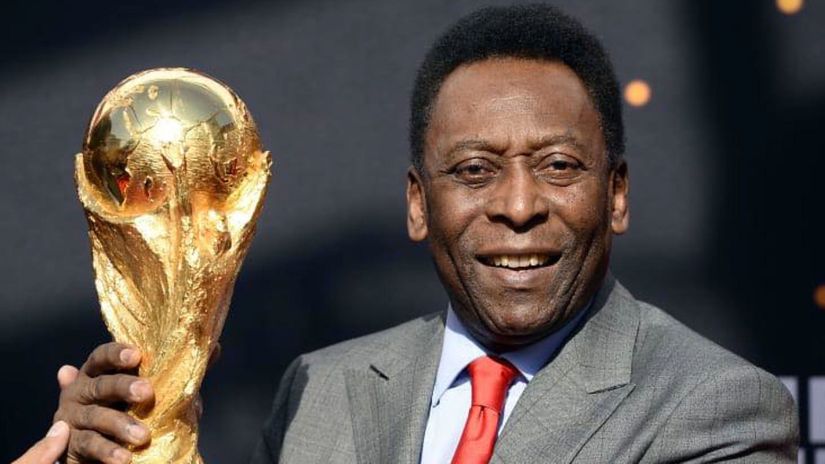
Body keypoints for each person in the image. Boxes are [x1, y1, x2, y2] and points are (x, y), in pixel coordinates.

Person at [48, 5, 798, 463]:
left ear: (618, 195)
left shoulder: (716, 407)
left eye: (558, 165)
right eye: (472, 171)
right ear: (417, 204)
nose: (516, 205)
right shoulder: (320, 389)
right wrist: (131, 450)